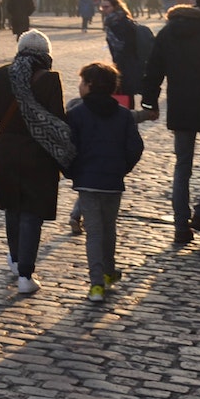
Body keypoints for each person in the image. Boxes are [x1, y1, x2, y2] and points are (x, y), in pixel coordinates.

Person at [140, 0, 200, 243]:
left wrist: (150, 102)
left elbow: (153, 69)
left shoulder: (169, 30)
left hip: (180, 106)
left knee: (182, 167)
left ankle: (181, 226)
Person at [0, 29, 68, 295]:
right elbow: (57, 119)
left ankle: (16, 259)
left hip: (6, 150)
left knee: (12, 207)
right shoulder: (50, 79)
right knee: (31, 213)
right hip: (38, 154)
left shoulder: (1, 73)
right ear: (46, 54)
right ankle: (25, 274)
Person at [65, 61, 145, 302]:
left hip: (87, 181)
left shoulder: (76, 114)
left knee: (94, 233)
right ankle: (109, 272)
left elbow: (67, 147)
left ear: (89, 85)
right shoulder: (123, 115)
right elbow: (135, 147)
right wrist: (121, 168)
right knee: (109, 229)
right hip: (112, 181)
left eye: (82, 81)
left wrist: (73, 171)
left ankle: (97, 283)